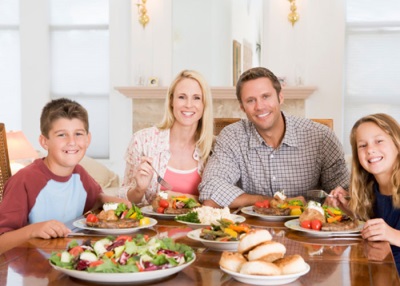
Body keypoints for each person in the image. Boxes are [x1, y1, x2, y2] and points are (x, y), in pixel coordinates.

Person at [198, 67, 349, 208]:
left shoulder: (321, 137)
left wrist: (338, 198)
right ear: (242, 107)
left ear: (280, 97)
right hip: (249, 231)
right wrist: (275, 202)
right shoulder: (232, 137)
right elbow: (210, 189)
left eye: (266, 96)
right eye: (250, 100)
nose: (260, 106)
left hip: (307, 229)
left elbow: (346, 193)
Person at [0, 98, 127, 254]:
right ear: (44, 141)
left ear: (88, 139)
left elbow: (96, 199)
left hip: (71, 262)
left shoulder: (79, 174)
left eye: (78, 134)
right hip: (33, 273)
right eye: (62, 135)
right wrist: (33, 230)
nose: (72, 142)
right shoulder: (23, 181)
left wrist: (111, 200)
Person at [118, 70, 214, 204]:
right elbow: (123, 200)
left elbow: (219, 200)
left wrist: (177, 197)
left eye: (197, 98)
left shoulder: (213, 149)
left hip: (200, 225)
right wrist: (139, 190)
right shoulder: (142, 141)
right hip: (153, 224)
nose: (188, 104)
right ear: (171, 101)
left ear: (204, 105)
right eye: (182, 97)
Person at [326, 113, 400, 275]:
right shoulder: (370, 187)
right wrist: (350, 210)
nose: (370, 150)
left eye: (379, 141)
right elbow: (376, 226)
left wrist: (393, 235)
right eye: (362, 145)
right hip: (380, 271)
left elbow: (388, 231)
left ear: (397, 143)